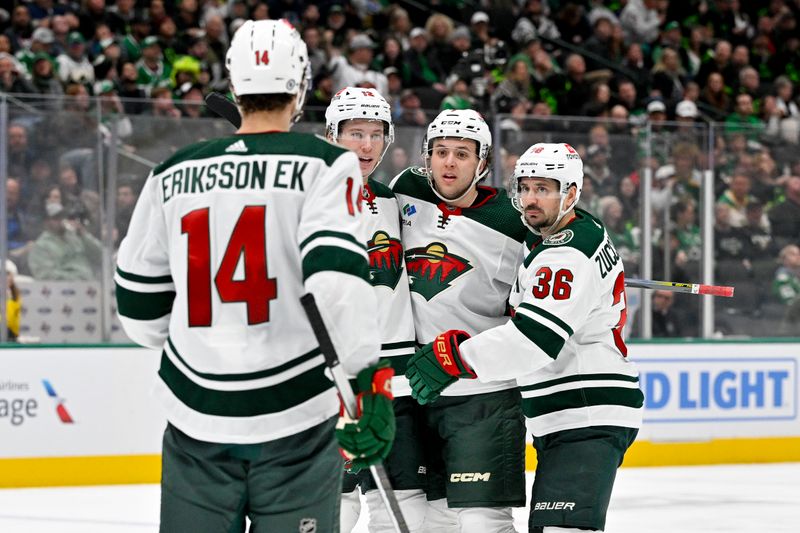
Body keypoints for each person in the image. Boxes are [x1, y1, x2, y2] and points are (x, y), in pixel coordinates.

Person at [114, 20, 395, 533]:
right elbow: (337, 287)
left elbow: (138, 313)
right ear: (302, 89)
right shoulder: (327, 166)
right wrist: (366, 384)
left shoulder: (171, 172)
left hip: (195, 414)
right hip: (296, 419)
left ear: (235, 85)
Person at [405, 143, 644, 533]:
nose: (531, 200)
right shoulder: (572, 231)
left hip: (586, 409)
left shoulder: (563, 256)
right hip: (568, 415)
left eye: (544, 189)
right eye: (526, 188)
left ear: (571, 194)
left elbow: (532, 342)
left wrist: (455, 358)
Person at [390, 109, 528, 532]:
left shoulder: (515, 220)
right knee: (427, 520)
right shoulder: (404, 190)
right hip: (415, 388)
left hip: (481, 393)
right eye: (441, 152)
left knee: (482, 522)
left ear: (482, 163)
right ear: (426, 156)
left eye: (463, 154)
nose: (450, 162)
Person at [326, 87, 425, 532]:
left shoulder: (395, 201)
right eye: (354, 133)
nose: (366, 145)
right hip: (335, 375)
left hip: (396, 375)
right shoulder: (310, 198)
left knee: (400, 508)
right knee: (333, 503)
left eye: (375, 134)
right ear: (333, 134)